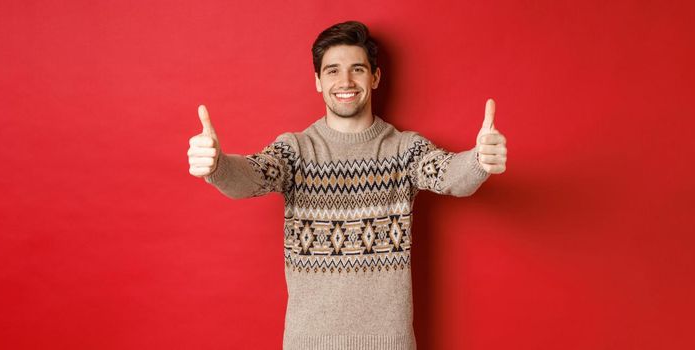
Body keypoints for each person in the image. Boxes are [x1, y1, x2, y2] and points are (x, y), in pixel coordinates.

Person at [187, 20, 507, 350]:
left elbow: (450, 176)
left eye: (357, 69)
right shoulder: (296, 150)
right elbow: (252, 176)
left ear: (375, 77)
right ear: (317, 81)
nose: (345, 81)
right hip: (308, 343)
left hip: (390, 343)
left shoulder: (404, 149)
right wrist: (218, 166)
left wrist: (479, 160)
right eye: (332, 71)